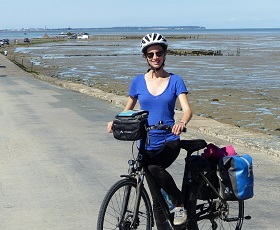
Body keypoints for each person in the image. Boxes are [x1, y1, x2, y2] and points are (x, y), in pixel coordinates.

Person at [107, 33, 192, 228]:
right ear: (145, 57)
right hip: (145, 142)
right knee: (155, 197)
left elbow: (187, 109)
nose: (155, 57)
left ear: (165, 54)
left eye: (159, 53)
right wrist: (115, 121)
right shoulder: (138, 81)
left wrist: (182, 122)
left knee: (154, 168)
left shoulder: (175, 80)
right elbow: (127, 109)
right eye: (150, 54)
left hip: (169, 139)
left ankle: (179, 201)